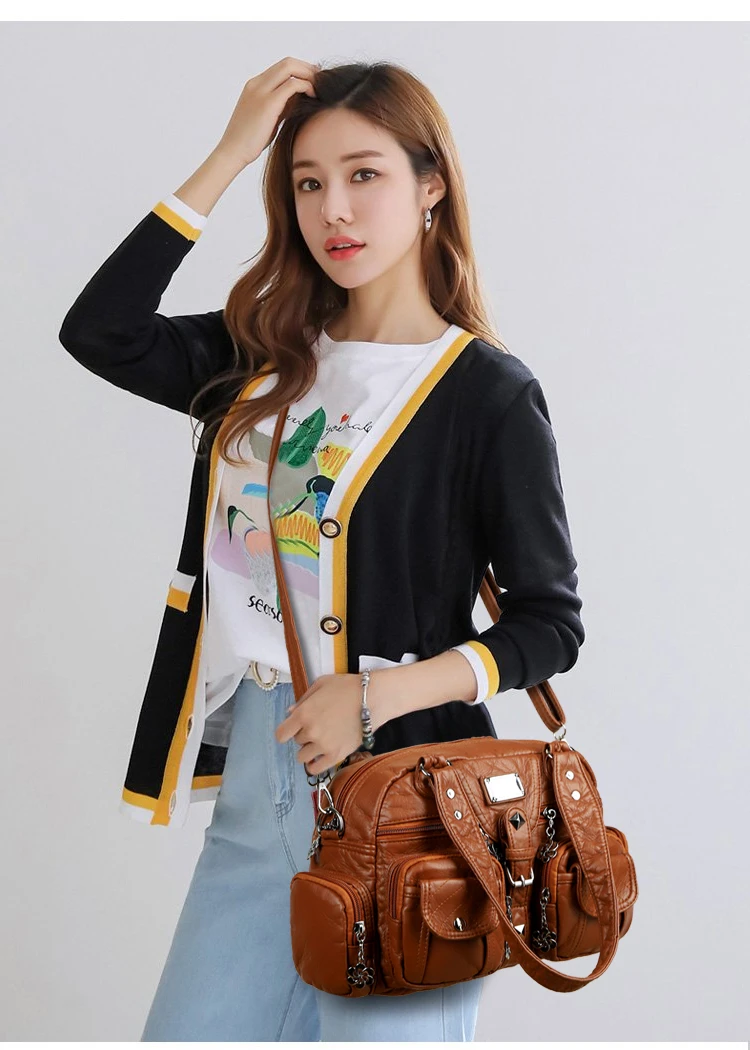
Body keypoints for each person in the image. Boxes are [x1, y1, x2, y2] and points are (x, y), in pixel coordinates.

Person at [59, 56, 585, 1042]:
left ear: (431, 187)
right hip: (258, 796)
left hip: (408, 804)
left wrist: (375, 696)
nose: (333, 208)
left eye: (364, 174)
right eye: (307, 182)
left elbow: (549, 628)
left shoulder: (486, 395)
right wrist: (230, 152)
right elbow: (100, 332)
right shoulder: (265, 353)